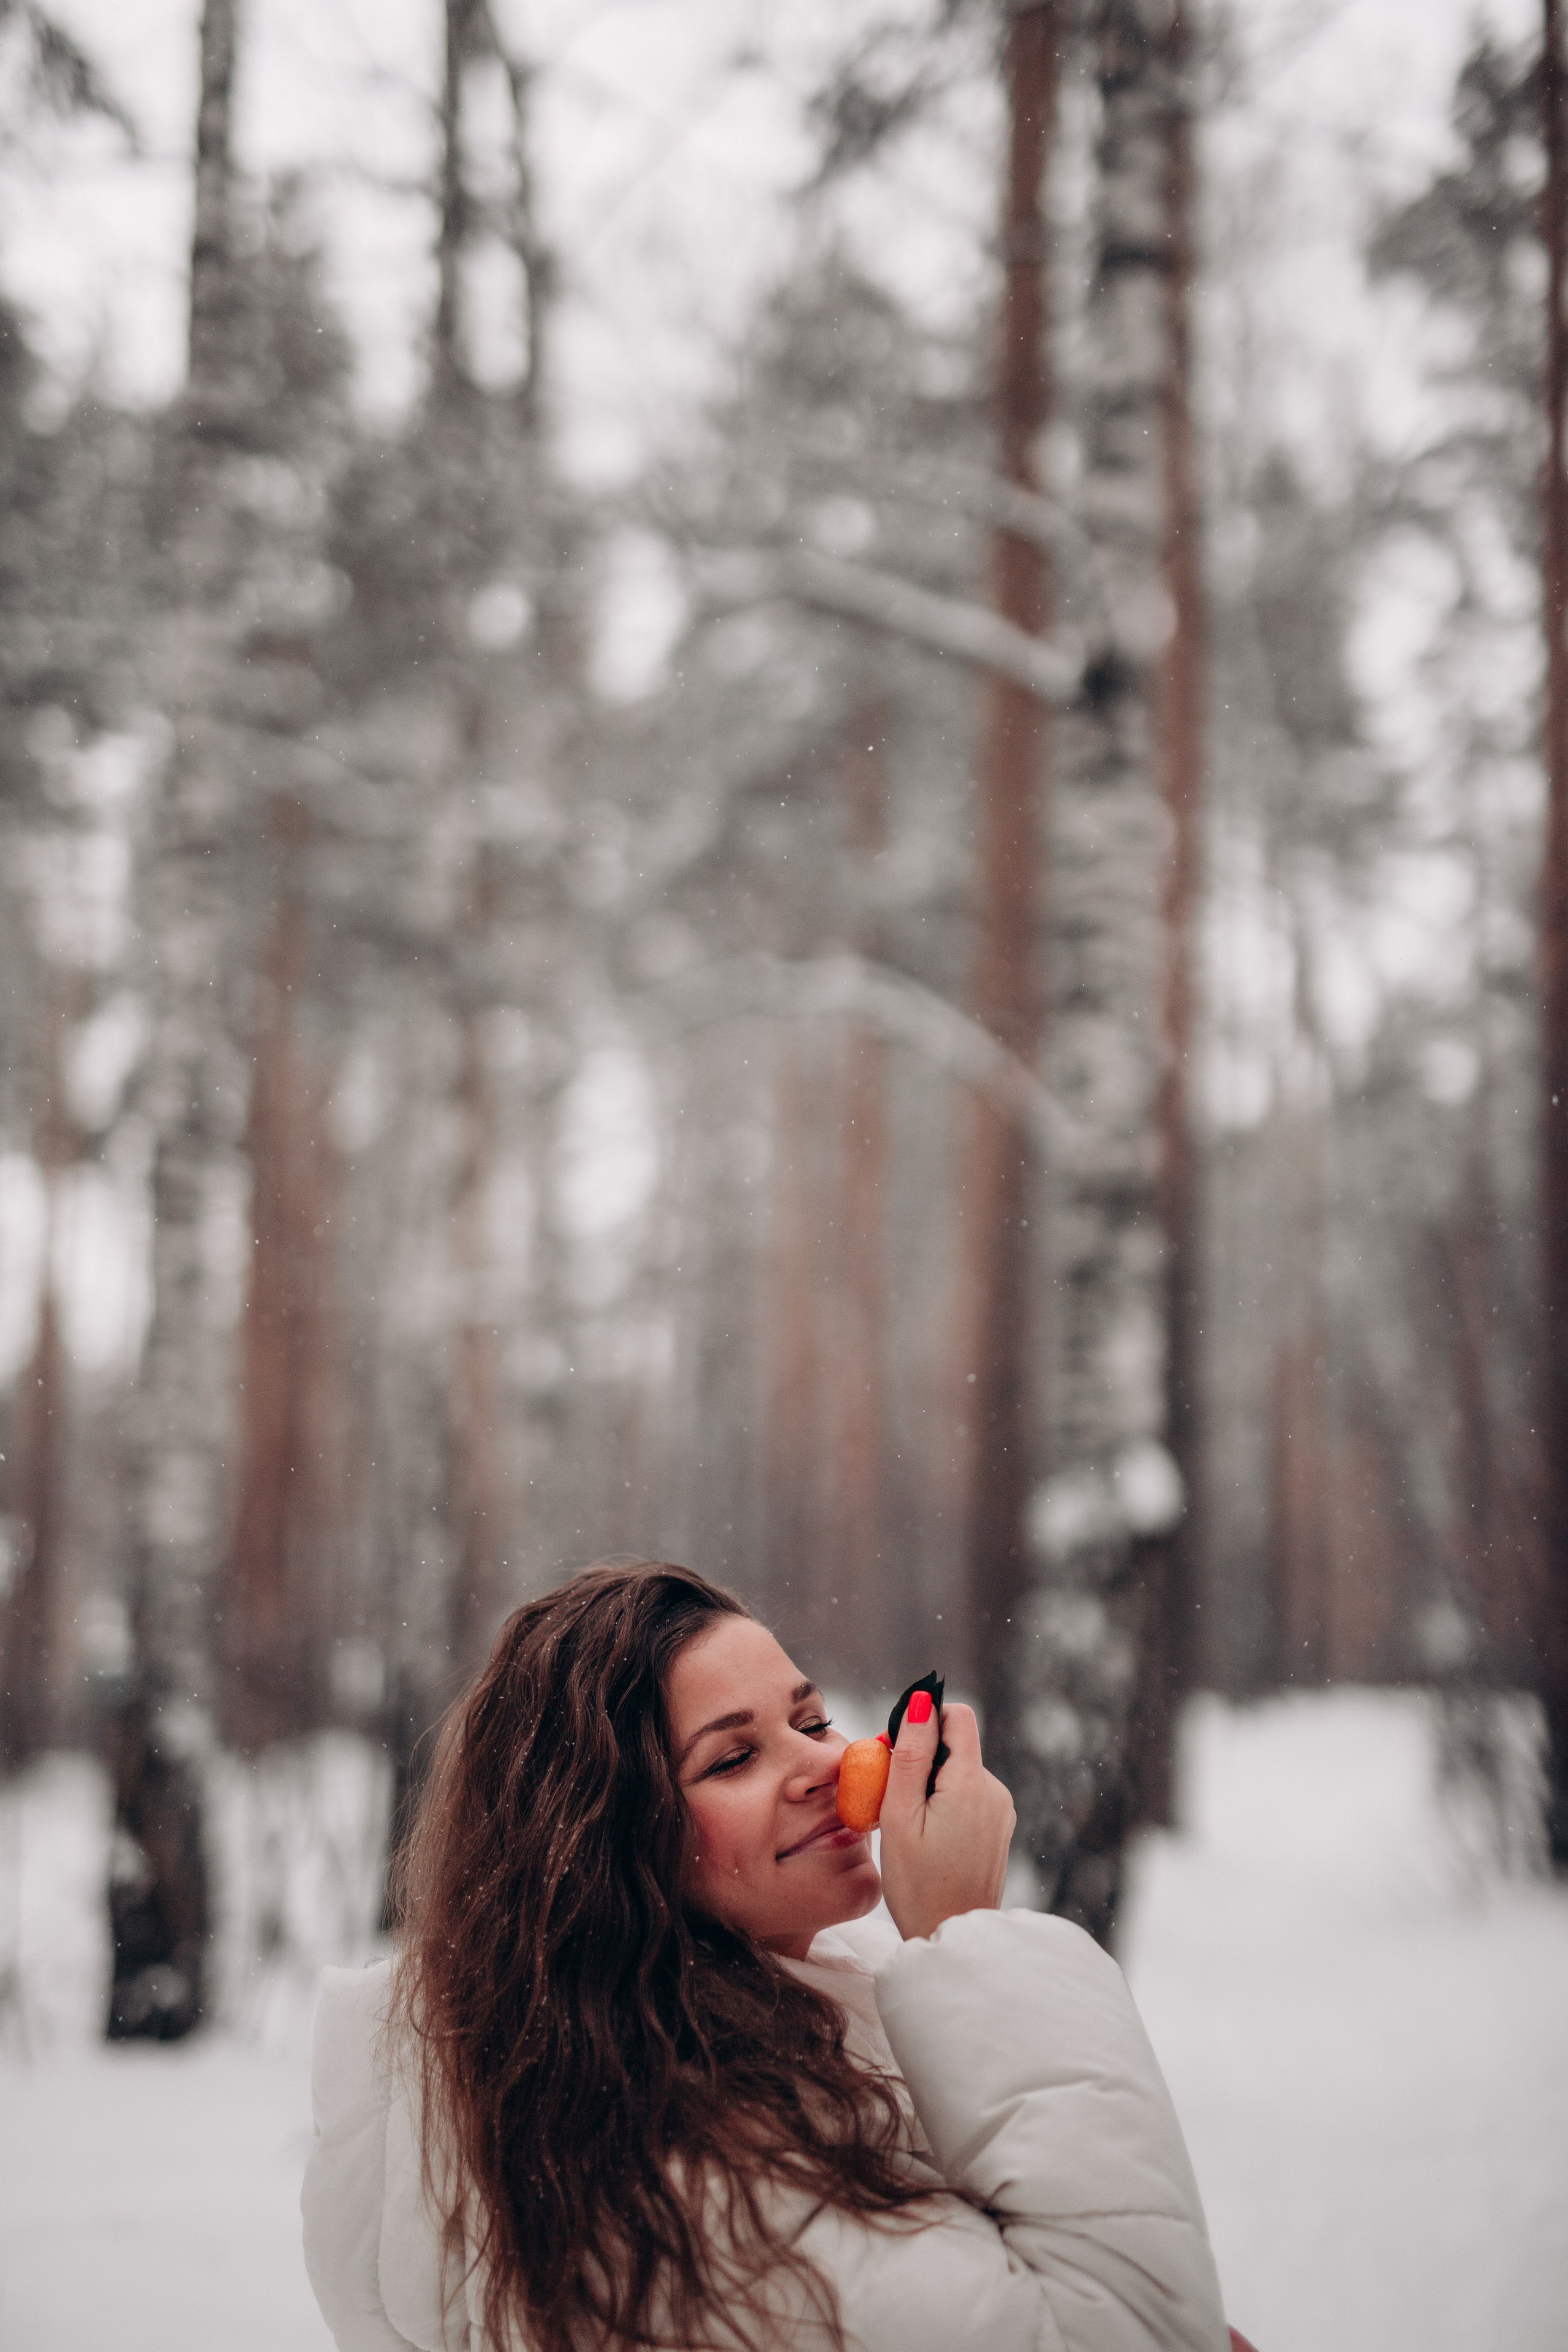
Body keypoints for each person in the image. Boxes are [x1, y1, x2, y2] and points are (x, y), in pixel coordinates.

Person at [302, 1560, 1231, 2352]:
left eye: (812, 1720)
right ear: (611, 1851)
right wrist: (966, 1932)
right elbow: (1128, 2330)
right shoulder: (681, 2182)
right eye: (733, 1759)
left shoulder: (810, 2010)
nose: (827, 1766)